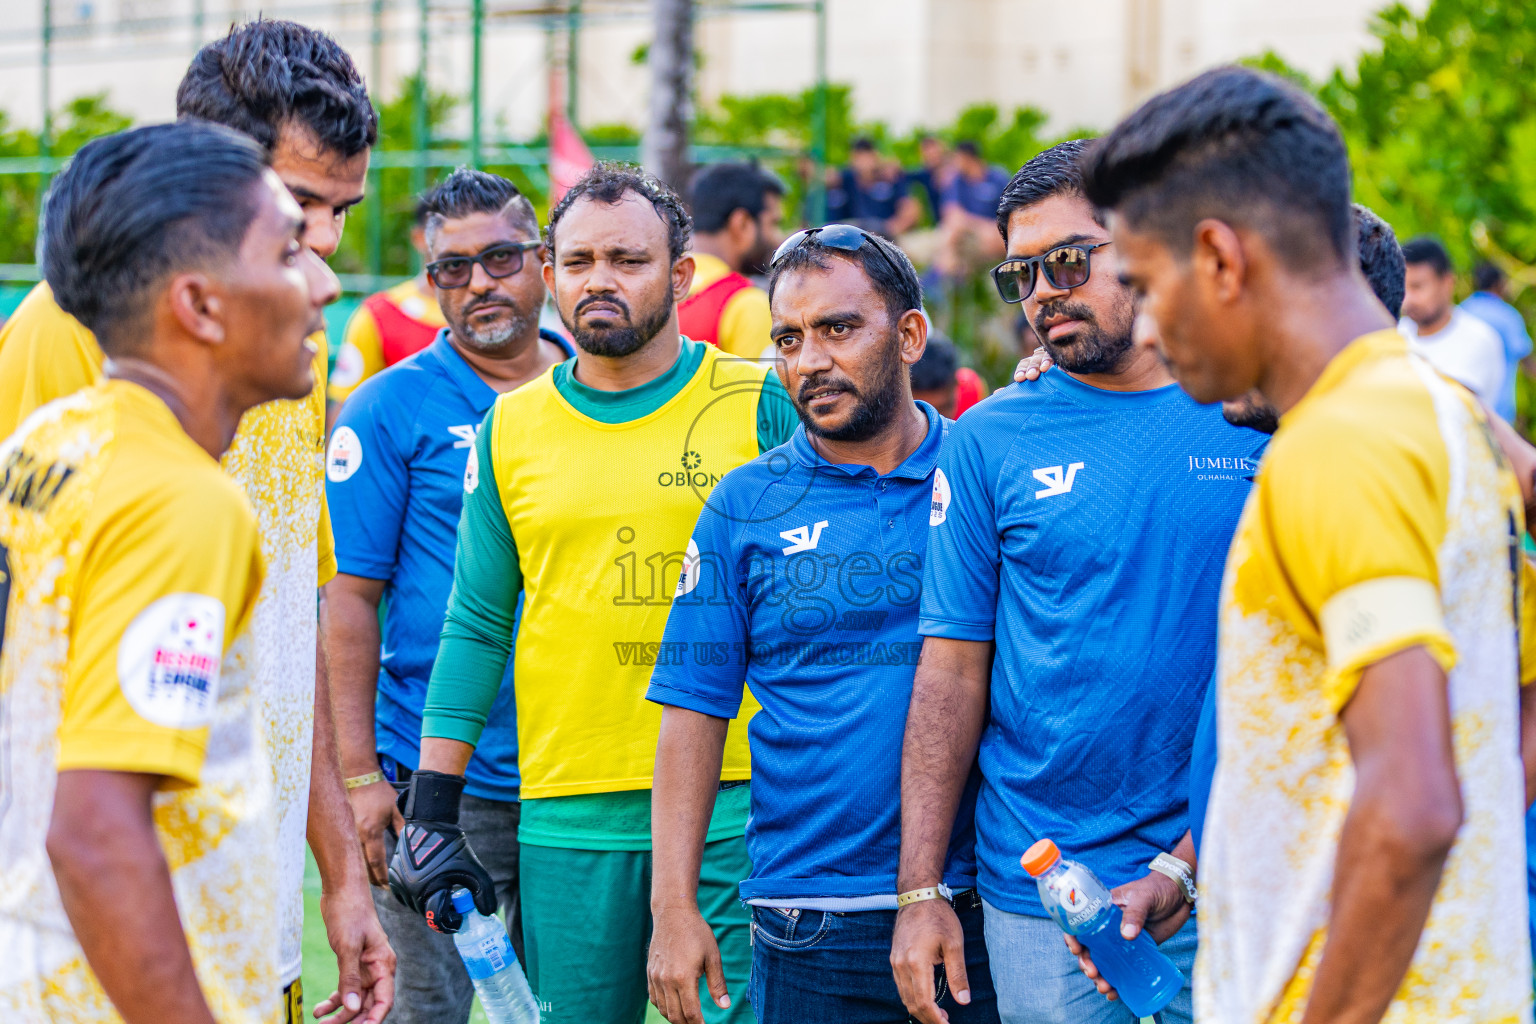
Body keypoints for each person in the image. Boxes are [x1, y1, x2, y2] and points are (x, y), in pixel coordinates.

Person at [1084, 64, 1534, 1024]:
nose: (1149, 330)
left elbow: (1413, 806)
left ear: (1220, 258)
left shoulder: (1337, 445)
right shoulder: (1445, 415)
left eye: (1148, 286)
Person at [0, 21, 392, 1023]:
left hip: (232, 922)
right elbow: (81, 786)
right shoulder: (71, 333)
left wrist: (336, 872)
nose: (326, 253)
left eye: (341, 211)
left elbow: (286, 622)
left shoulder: (283, 347)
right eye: (295, 211)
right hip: (120, 948)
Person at [388, 163, 799, 1024]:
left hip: (739, 803)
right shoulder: (511, 427)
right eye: (577, 262)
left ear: (680, 276)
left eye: (628, 260)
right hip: (568, 812)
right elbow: (477, 623)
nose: (598, 280)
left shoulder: (760, 401)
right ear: (549, 271)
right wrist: (431, 808)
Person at [890, 139, 1268, 1024]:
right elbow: (951, 670)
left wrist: (1190, 861)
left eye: (1066, 261)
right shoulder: (990, 439)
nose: (1042, 294)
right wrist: (920, 889)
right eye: (1020, 275)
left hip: (1241, 868)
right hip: (1050, 889)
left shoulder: (1256, 410)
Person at [645, 224, 1000, 1024]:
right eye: (788, 338)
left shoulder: (984, 472)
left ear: (910, 336)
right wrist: (674, 906)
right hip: (808, 919)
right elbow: (693, 709)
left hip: (979, 904)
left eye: (838, 329)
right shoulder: (744, 503)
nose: (808, 361)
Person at [326, 169, 573, 1024]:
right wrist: (362, 776)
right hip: (443, 784)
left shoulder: (600, 389)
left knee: (571, 1008)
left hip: (581, 778)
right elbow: (348, 601)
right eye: (452, 269)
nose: (479, 284)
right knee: (419, 1011)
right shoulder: (389, 408)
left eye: (501, 258)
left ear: (543, 261)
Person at [329, 197, 449, 404]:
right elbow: (344, 405)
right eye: (446, 232)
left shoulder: (496, 312)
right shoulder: (381, 314)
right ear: (419, 237)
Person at [679, 162, 784, 357]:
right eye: (773, 223)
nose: (778, 238)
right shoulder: (746, 305)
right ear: (742, 224)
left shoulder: (658, 285)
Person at [1398, 236, 1506, 406]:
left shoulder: (1477, 340)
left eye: (1417, 287)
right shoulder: (1395, 334)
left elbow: (1453, 407)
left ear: (1447, 283)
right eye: (1403, 287)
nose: (1408, 299)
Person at [1462, 260, 1533, 422]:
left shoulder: (1462, 311)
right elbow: (1526, 360)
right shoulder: (1508, 316)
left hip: (1463, 405)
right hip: (1499, 409)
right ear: (1499, 284)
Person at [931, 141, 1010, 279]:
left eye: (956, 158)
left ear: (967, 157)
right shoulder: (957, 180)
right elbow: (951, 213)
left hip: (996, 233)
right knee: (951, 231)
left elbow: (1011, 212)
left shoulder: (997, 177)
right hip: (970, 232)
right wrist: (979, 225)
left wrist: (990, 227)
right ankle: (944, 275)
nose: (954, 163)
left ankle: (939, 278)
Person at [827, 138, 921, 238]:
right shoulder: (846, 179)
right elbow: (826, 175)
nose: (864, 160)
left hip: (886, 233)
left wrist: (892, 229)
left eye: (867, 154)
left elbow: (911, 208)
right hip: (856, 234)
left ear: (875, 154)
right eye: (859, 155)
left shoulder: (890, 177)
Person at [911, 333, 986, 418]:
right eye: (922, 410)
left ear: (957, 383)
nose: (936, 420)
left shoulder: (972, 390)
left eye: (943, 409)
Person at [907, 133, 955, 223]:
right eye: (926, 150)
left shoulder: (956, 168)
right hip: (940, 223)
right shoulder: (925, 173)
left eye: (933, 149)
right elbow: (904, 174)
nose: (931, 154)